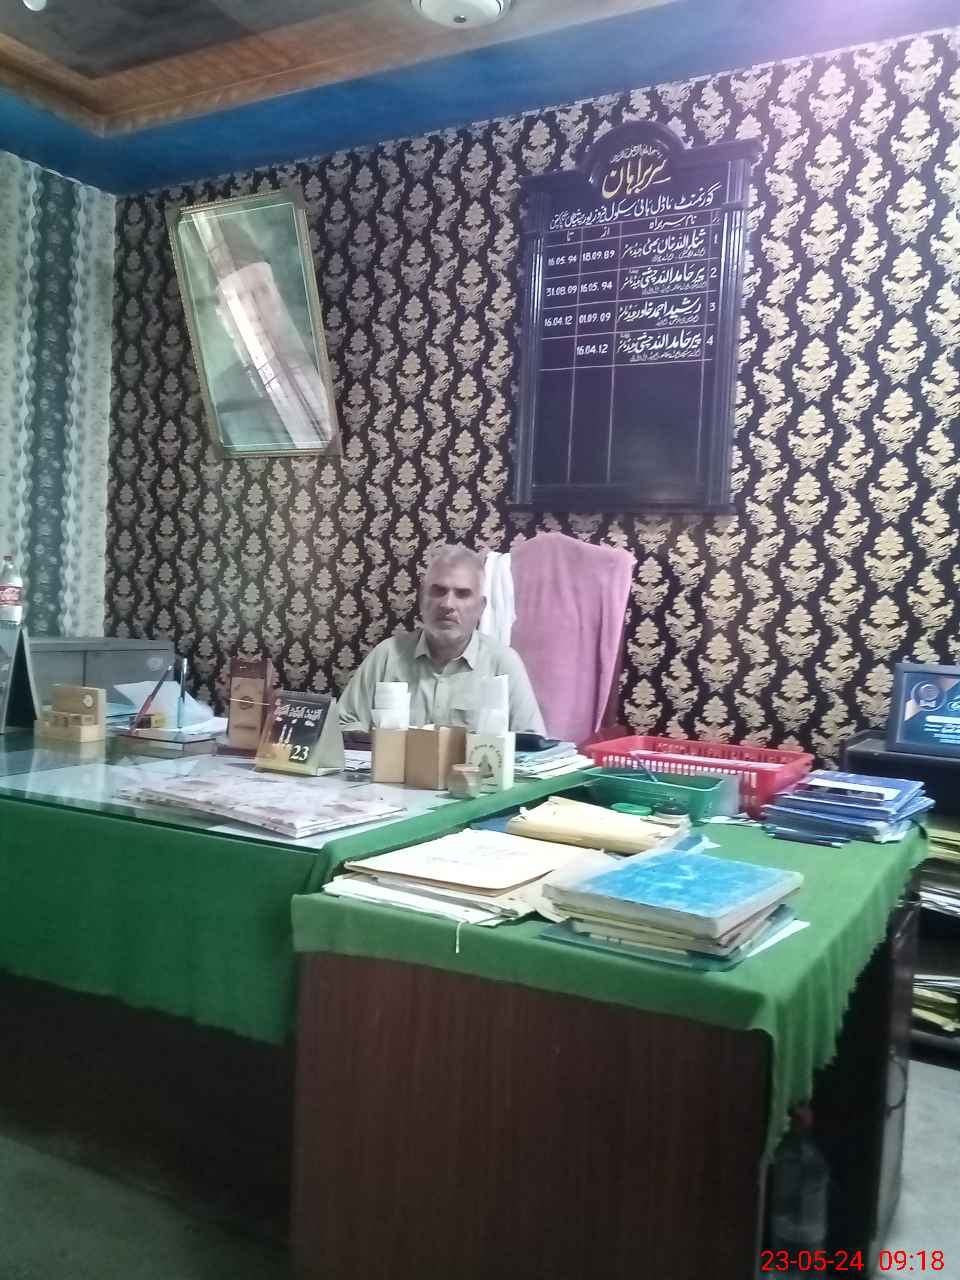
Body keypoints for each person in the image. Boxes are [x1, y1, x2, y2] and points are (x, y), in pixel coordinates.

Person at [338, 545, 547, 735]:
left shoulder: (503, 664)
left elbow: (533, 747)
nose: (447, 604)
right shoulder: (387, 656)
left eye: (462, 594)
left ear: (480, 608)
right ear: (422, 599)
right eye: (438, 591)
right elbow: (343, 723)